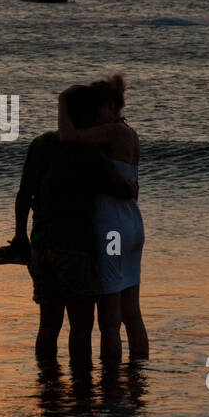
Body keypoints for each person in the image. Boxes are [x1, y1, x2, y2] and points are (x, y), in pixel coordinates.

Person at [13, 86, 138, 367]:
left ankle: (49, 388)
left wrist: (21, 235)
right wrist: (132, 182)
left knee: (48, 326)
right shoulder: (88, 153)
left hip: (41, 245)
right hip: (75, 249)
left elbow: (24, 194)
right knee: (80, 329)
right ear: (87, 115)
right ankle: (81, 394)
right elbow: (123, 190)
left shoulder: (40, 144)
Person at [57, 73, 149, 362]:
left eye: (96, 108)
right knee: (131, 311)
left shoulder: (112, 132)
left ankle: (111, 386)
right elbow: (132, 187)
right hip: (132, 224)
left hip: (112, 230)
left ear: (110, 106)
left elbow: (68, 137)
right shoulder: (129, 133)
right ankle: (138, 375)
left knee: (109, 320)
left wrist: (61, 102)